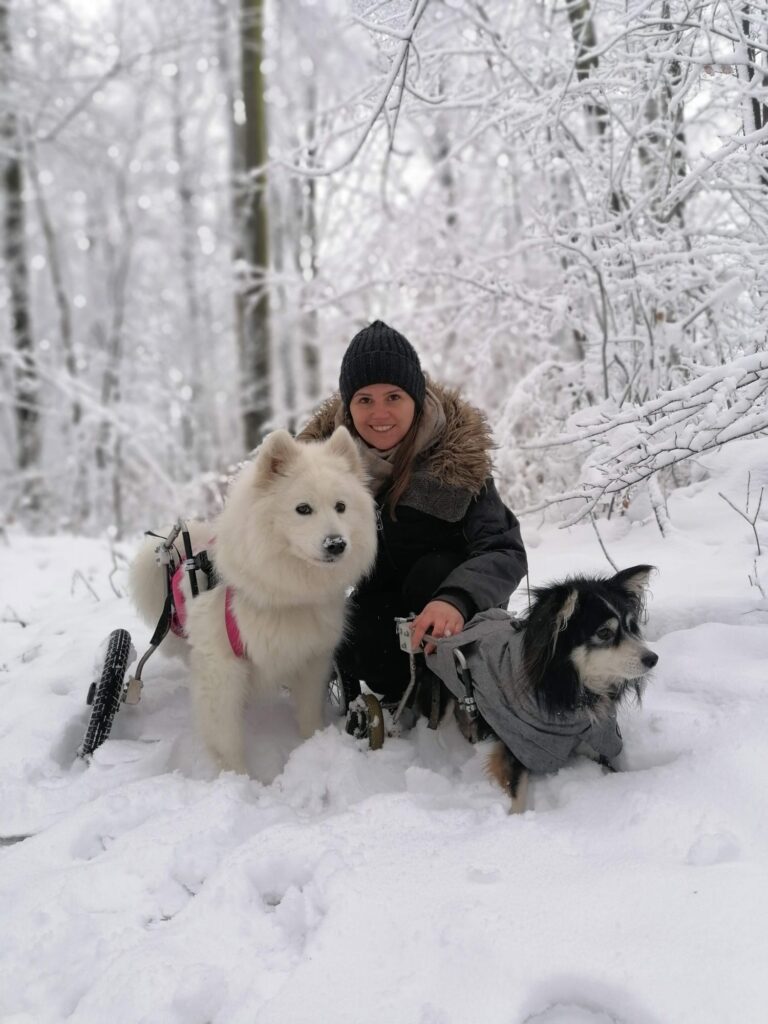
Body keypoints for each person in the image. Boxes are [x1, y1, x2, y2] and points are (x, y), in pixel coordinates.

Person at [297, 320, 527, 705]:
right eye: (364, 400)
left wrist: (456, 599)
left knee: (431, 572)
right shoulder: (320, 470)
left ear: (416, 399)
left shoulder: (458, 464)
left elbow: (504, 550)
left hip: (456, 605)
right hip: (384, 601)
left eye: (394, 397)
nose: (379, 413)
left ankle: (457, 681)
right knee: (359, 647)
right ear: (348, 406)